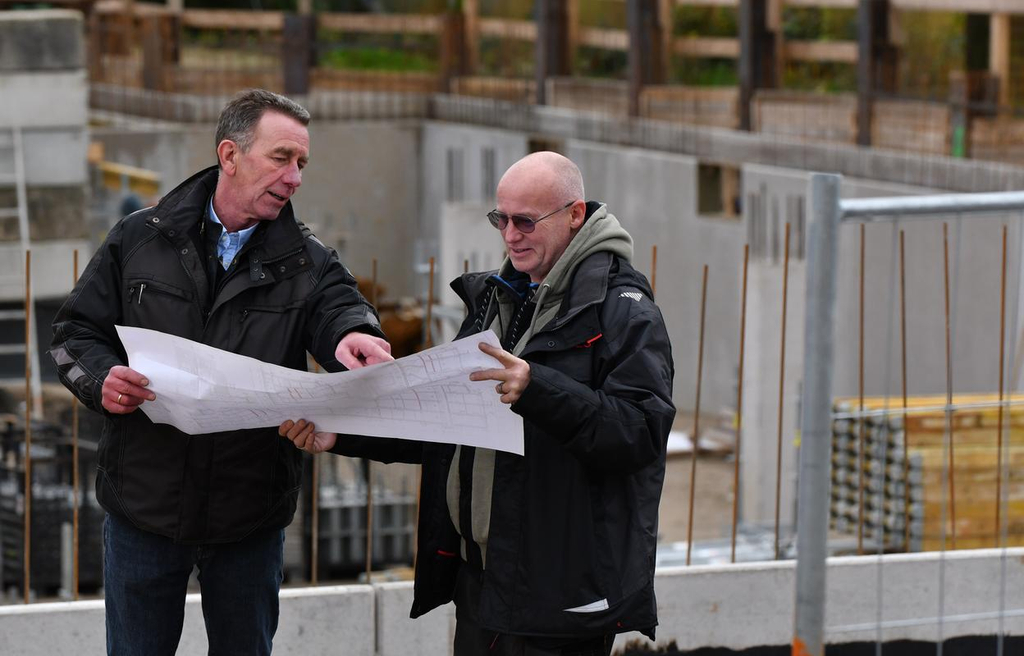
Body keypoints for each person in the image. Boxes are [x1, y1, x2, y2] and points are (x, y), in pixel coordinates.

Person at [281, 151, 675, 655]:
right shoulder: (499, 298)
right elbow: (448, 424)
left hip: (561, 596)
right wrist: (343, 433)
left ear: (575, 214)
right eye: (501, 219)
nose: (510, 235)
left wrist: (539, 390)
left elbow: (640, 432)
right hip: (483, 586)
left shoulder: (622, 311)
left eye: (526, 221)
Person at [50, 89, 392, 656]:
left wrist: (354, 334)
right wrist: (102, 378)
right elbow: (74, 334)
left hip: (248, 515)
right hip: (144, 506)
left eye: (302, 163)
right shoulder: (139, 237)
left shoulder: (309, 260)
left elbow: (341, 310)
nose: (295, 178)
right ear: (229, 155)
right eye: (281, 158)